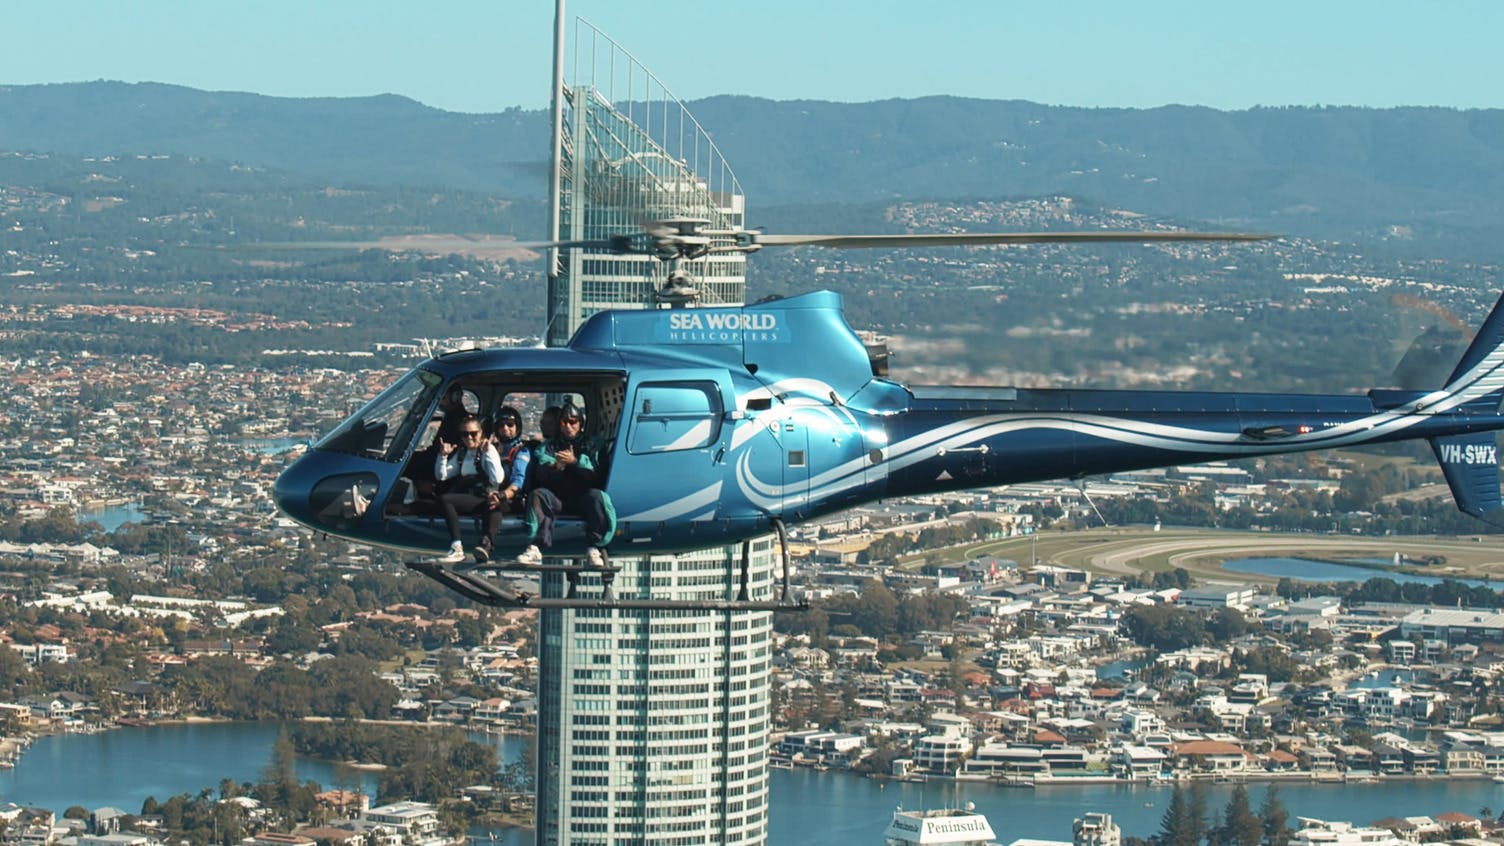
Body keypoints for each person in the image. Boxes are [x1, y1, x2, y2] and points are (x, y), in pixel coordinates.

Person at [517, 402, 615, 566]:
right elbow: (541, 473)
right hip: (557, 498)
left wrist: (575, 462)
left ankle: (595, 547)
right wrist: (557, 466)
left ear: (580, 424)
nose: (568, 426)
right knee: (538, 494)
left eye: (573, 422)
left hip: (583, 497)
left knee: (598, 497)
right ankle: (536, 546)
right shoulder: (548, 446)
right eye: (564, 422)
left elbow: (597, 475)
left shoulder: (593, 445)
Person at [434, 414, 505, 564]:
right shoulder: (462, 453)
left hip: (485, 497)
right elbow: (442, 475)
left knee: (446, 499)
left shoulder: (488, 450)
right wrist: (443, 456)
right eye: (465, 434)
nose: (469, 438)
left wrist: (488, 453)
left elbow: (497, 478)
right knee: (444, 500)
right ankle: (457, 547)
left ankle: (459, 546)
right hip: (469, 496)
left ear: (481, 433)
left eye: (473, 433)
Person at [490, 405, 532, 514]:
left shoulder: (521, 450)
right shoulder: (491, 449)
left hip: (512, 498)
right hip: (492, 493)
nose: (505, 428)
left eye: (510, 425)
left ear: (517, 427)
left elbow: (519, 480)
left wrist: (502, 495)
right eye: (501, 425)